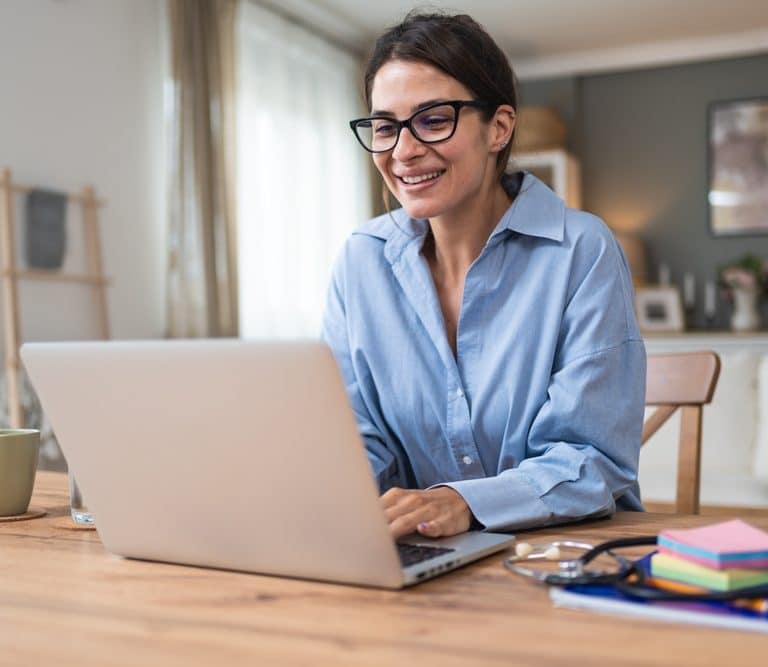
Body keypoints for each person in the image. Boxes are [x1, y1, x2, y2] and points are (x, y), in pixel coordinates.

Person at [322, 11, 645, 540]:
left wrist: (463, 501)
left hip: (565, 554)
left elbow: (593, 460)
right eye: (385, 127)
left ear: (499, 127)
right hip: (424, 554)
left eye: (433, 119)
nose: (403, 150)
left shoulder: (581, 251)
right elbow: (356, 440)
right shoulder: (361, 261)